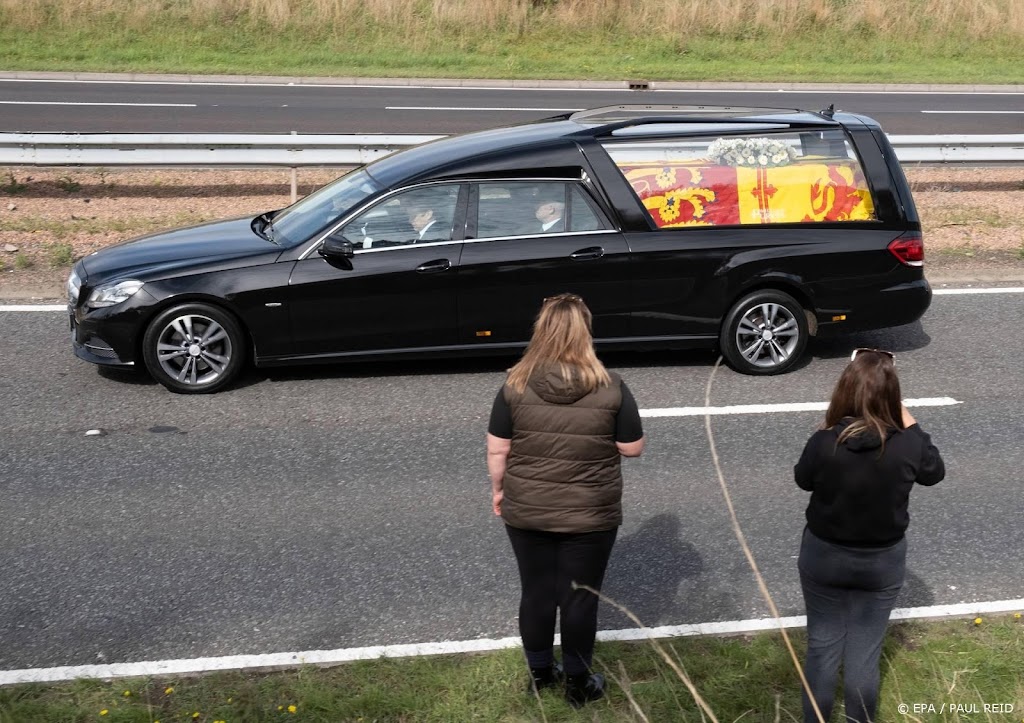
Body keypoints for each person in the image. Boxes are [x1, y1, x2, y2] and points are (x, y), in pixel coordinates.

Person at [486, 292, 645, 708]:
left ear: (541, 331)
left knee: (536, 593)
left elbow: (498, 448)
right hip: (591, 512)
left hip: (527, 507)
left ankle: (540, 676)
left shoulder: (515, 382)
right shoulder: (611, 386)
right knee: (579, 598)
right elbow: (632, 448)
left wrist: (499, 490)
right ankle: (578, 683)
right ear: (585, 333)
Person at [794, 348, 945, 723]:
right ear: (892, 397)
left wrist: (826, 430)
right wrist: (909, 420)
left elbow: (802, 479)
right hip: (881, 561)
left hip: (824, 555)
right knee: (865, 654)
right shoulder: (908, 445)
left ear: (844, 390)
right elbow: (934, 471)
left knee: (822, 650)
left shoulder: (826, 442)